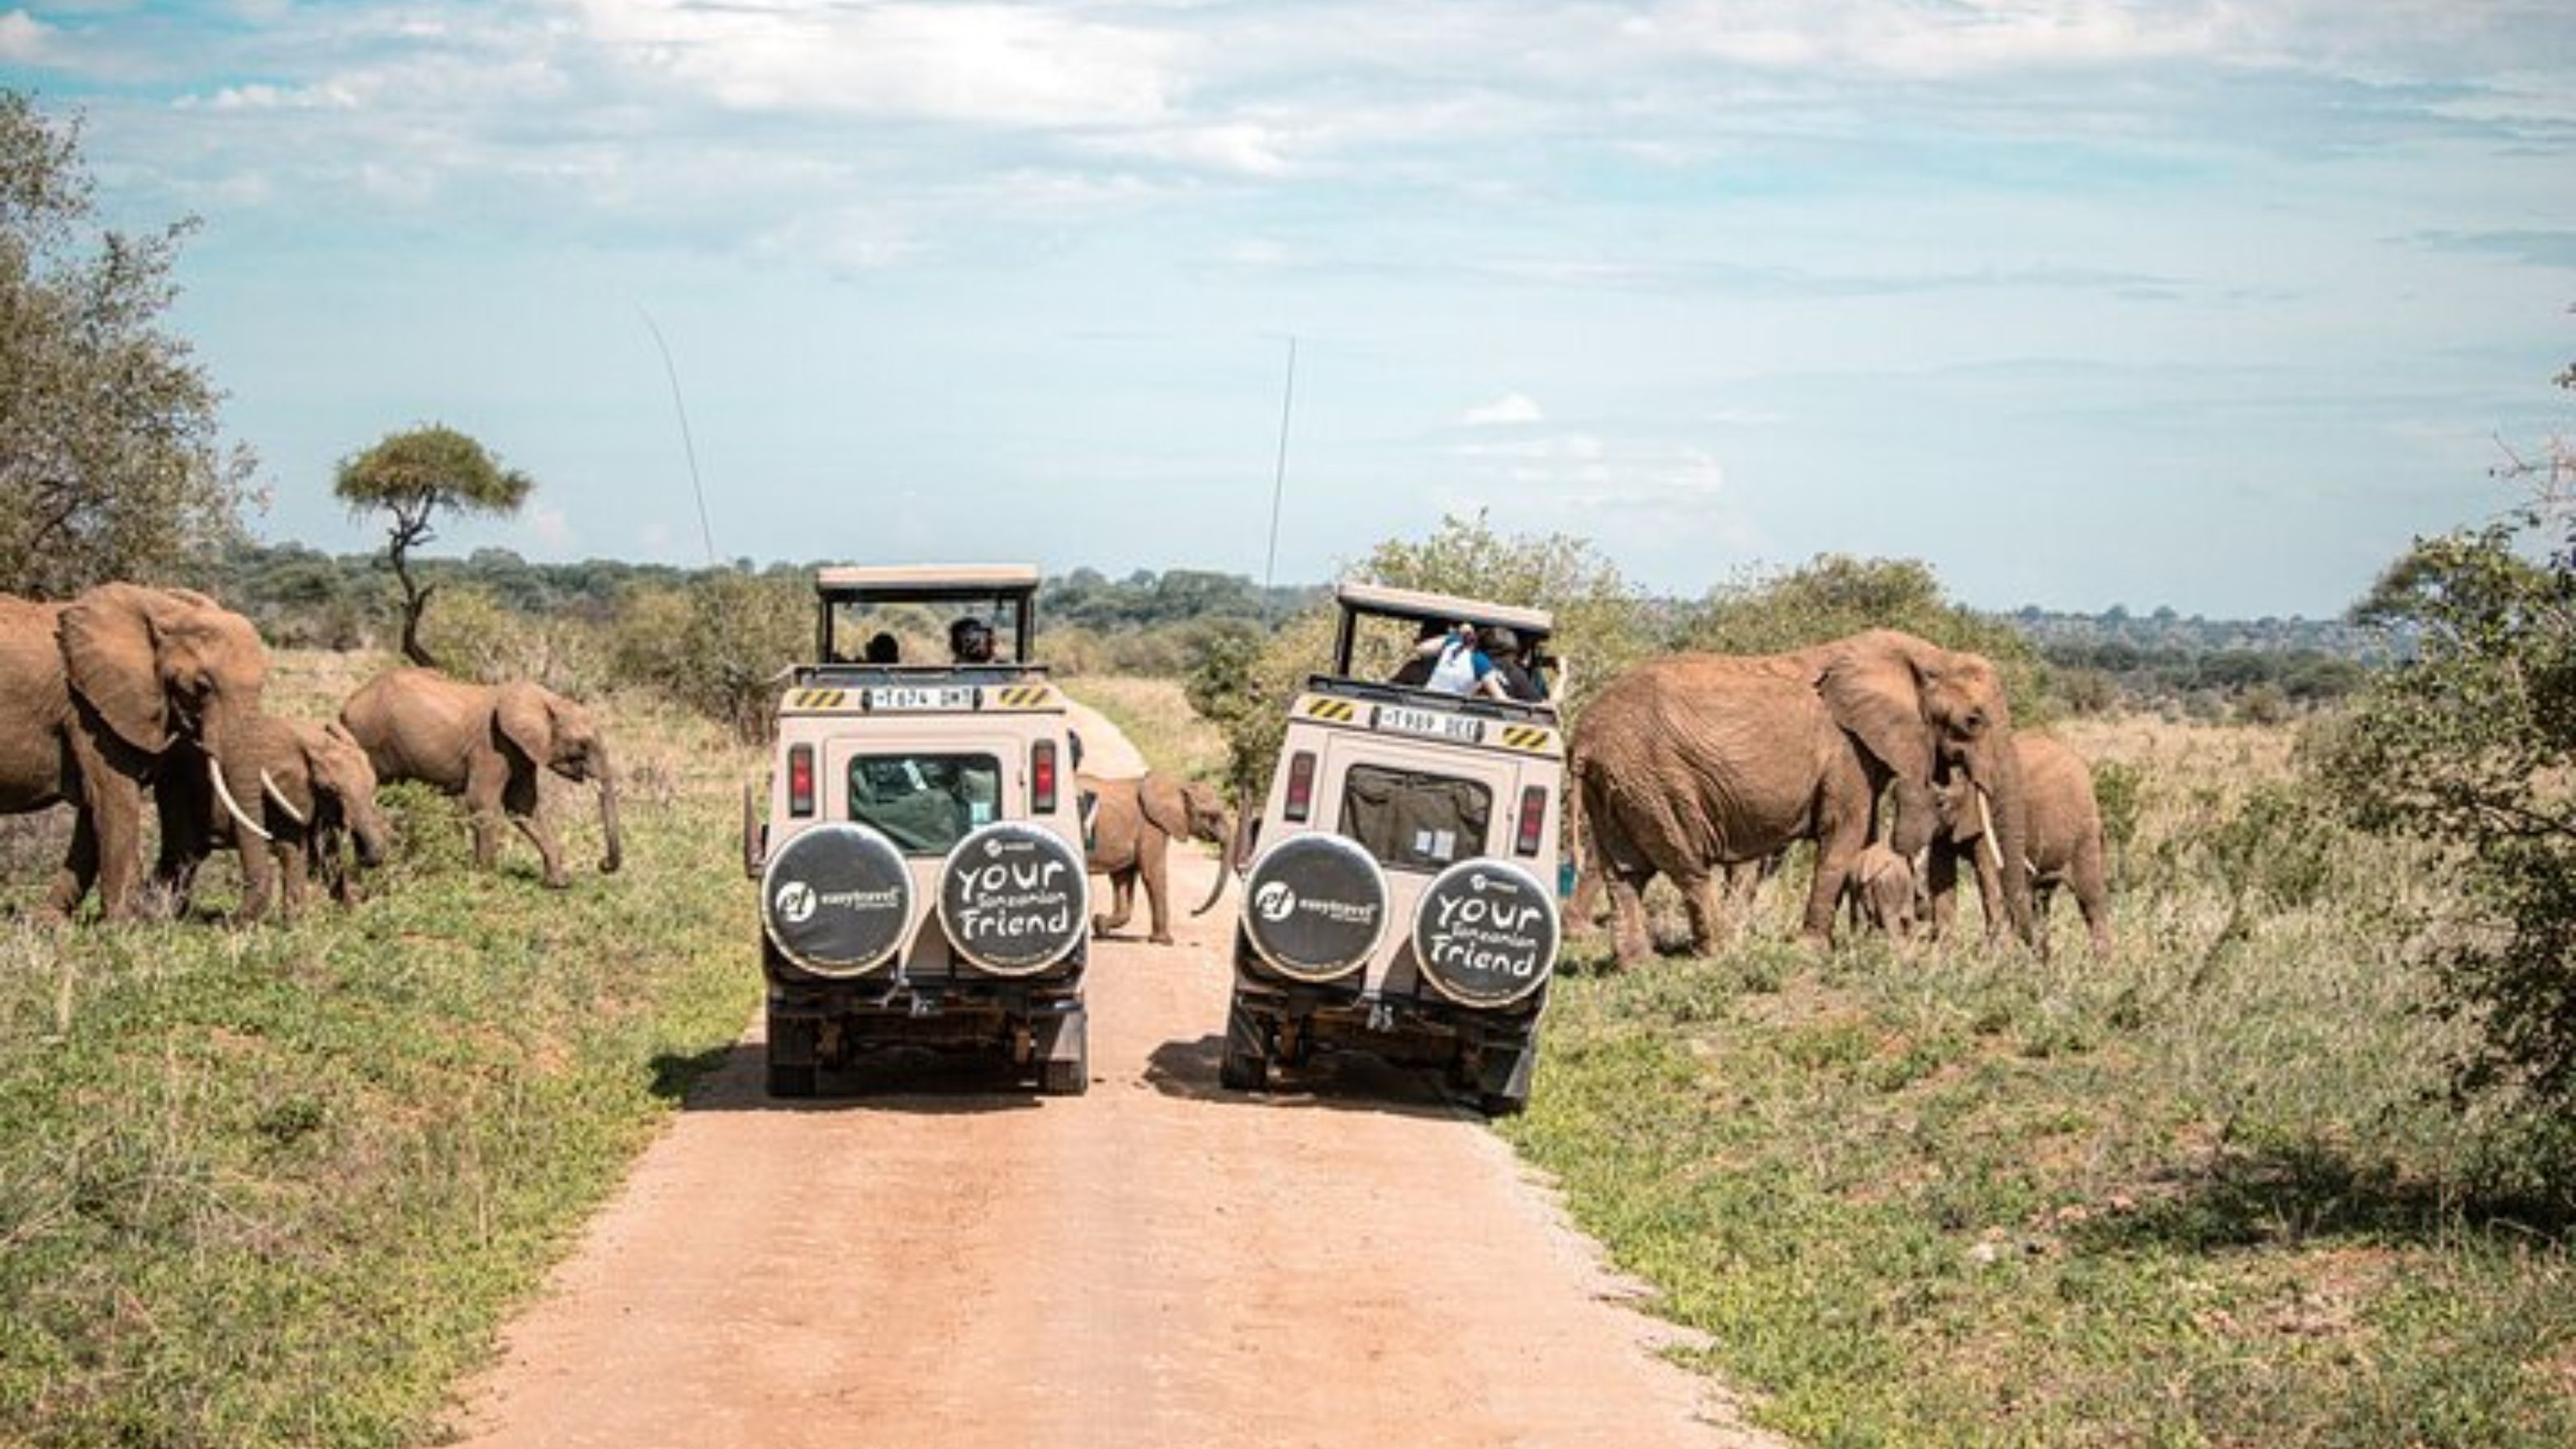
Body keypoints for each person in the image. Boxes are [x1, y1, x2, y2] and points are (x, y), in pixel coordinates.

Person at [1412, 621, 1508, 700]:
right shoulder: (1480, 662)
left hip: (1425, 700)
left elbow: (1421, 649)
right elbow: (1501, 699)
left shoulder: (1452, 643)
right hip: (1449, 710)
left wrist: (1455, 635)